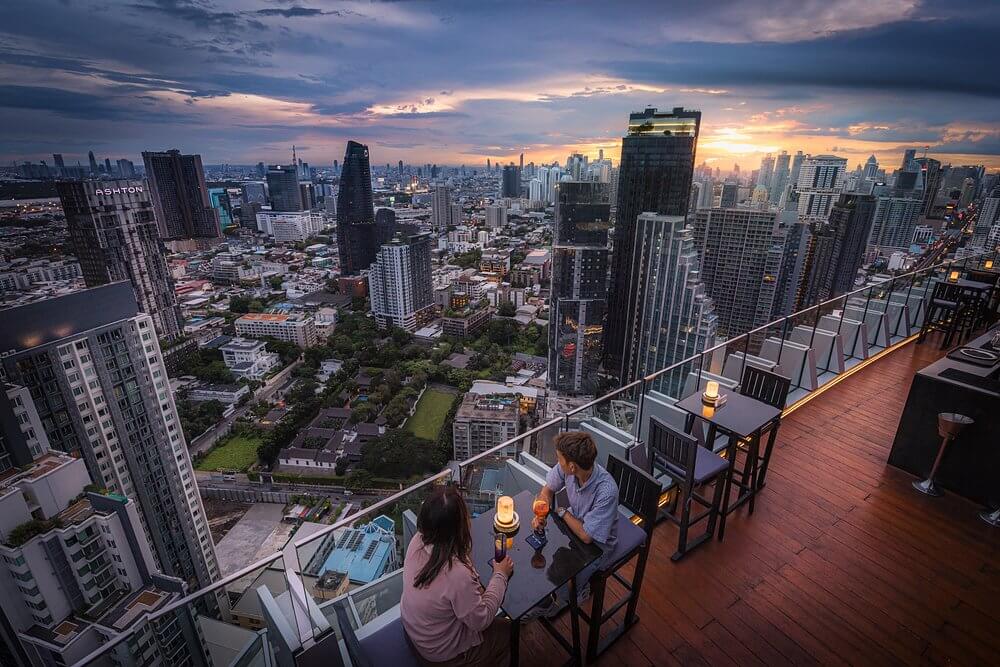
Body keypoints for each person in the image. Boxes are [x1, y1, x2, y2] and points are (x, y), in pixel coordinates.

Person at [401, 484, 514, 666]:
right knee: (510, 631)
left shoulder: (418, 541)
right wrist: (500, 574)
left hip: (416, 635)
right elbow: (481, 620)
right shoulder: (455, 574)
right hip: (441, 655)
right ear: (461, 525)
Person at [533, 431, 619, 606]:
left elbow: (587, 536)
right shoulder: (570, 469)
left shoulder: (606, 491)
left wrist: (563, 512)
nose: (558, 462)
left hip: (598, 545)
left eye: (559, 459)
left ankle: (578, 593)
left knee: (563, 587)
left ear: (572, 467)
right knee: (547, 563)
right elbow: (547, 490)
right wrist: (540, 512)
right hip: (575, 526)